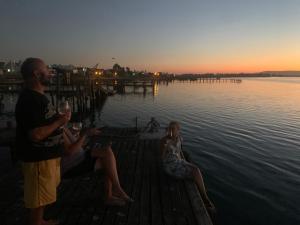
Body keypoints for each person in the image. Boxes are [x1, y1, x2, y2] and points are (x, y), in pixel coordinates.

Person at [15, 58, 70, 225]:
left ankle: (41, 221)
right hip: (38, 159)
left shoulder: (38, 97)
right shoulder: (29, 99)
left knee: (43, 197)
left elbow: (44, 123)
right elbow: (35, 135)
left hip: (47, 158)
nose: (50, 73)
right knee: (39, 198)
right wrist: (59, 122)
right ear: (36, 74)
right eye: (47, 70)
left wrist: (59, 121)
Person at [62, 126, 133, 206]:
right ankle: (114, 191)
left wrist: (83, 134)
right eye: (67, 112)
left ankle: (113, 192)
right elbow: (70, 151)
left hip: (79, 157)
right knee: (107, 160)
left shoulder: (63, 126)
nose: (68, 113)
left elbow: (76, 145)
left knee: (107, 153)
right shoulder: (58, 128)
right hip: (70, 166)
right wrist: (85, 135)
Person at [160, 121, 215, 212]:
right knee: (195, 172)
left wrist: (183, 161)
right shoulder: (164, 141)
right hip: (170, 167)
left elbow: (179, 152)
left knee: (196, 169)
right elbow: (162, 158)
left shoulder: (180, 139)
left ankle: (204, 194)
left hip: (179, 162)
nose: (171, 131)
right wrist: (165, 147)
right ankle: (206, 199)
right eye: (170, 129)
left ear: (178, 130)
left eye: (174, 129)